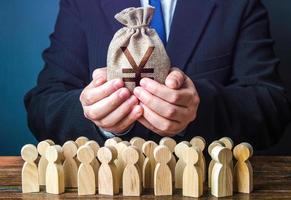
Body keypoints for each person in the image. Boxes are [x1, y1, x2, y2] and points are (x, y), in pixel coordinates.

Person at [25, 0, 291, 149]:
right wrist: (93, 114)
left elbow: (271, 105)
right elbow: (43, 104)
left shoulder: (237, 4)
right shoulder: (84, 3)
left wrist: (198, 108)